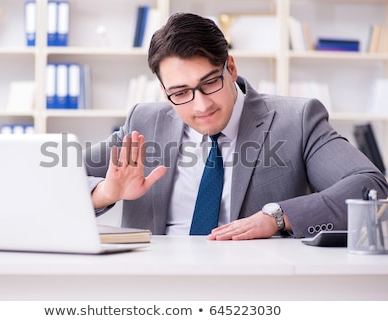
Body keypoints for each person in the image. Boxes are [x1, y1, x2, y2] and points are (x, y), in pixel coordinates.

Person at [85, 12, 388, 240]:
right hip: (152, 283)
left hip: (253, 283)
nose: (201, 105)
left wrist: (278, 217)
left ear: (230, 67)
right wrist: (103, 193)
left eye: (210, 83)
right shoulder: (144, 123)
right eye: (180, 93)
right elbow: (53, 175)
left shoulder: (297, 120)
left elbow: (371, 185)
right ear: (164, 93)